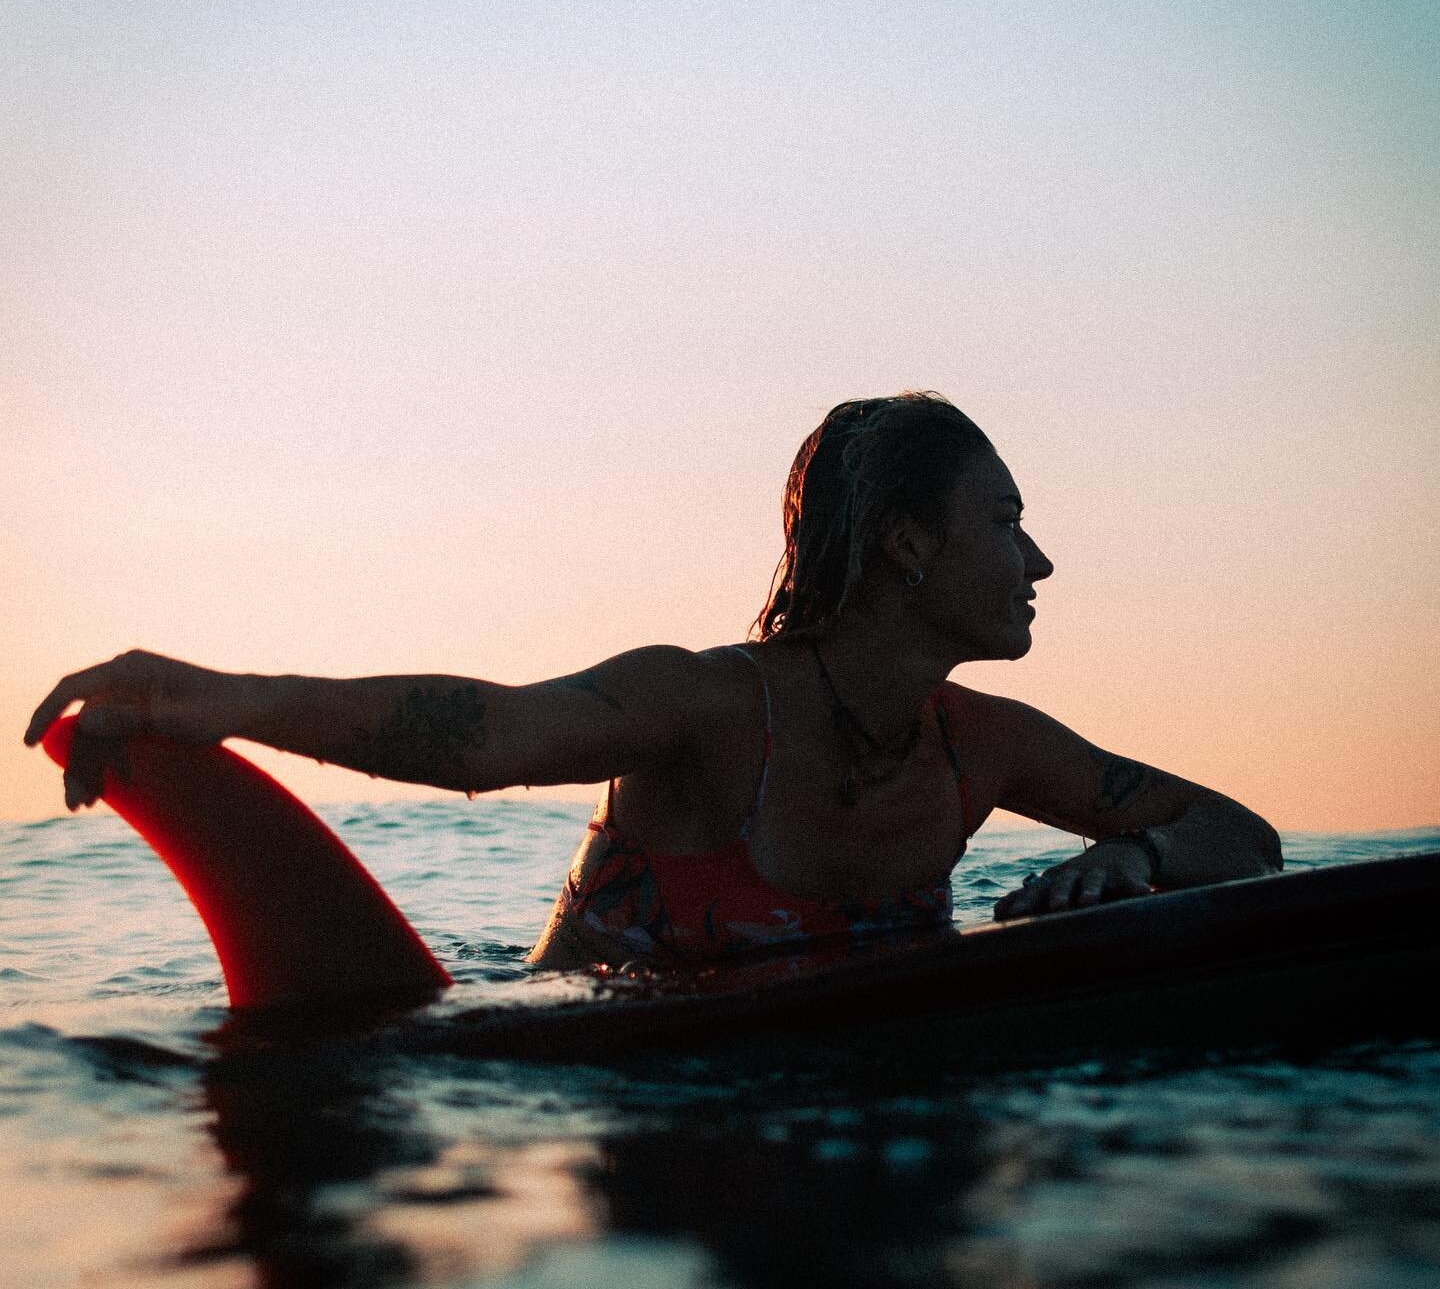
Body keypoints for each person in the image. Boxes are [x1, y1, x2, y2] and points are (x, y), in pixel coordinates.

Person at [25, 393, 1282, 972]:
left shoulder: (985, 745)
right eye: (1005, 519)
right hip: (608, 1119)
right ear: (907, 543)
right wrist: (236, 697)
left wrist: (1145, 861)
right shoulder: (708, 708)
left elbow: (1243, 833)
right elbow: (490, 736)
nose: (1039, 557)